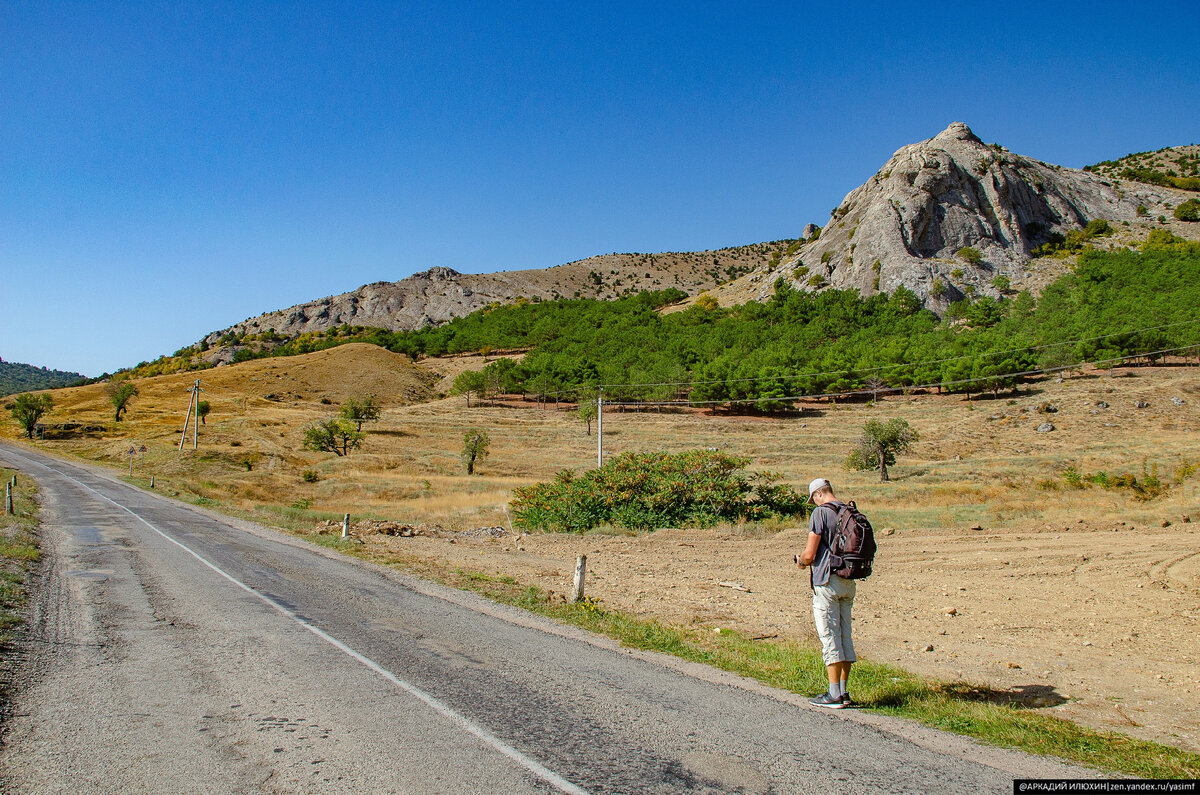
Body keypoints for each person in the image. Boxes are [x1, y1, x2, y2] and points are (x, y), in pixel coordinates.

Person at [796, 477, 856, 708]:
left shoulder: (821, 514)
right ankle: (844, 691)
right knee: (844, 635)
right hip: (848, 580)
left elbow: (810, 554)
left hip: (827, 580)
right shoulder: (848, 510)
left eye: (814, 499)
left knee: (830, 636)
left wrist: (801, 562)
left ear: (819, 494)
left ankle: (833, 695)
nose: (814, 503)